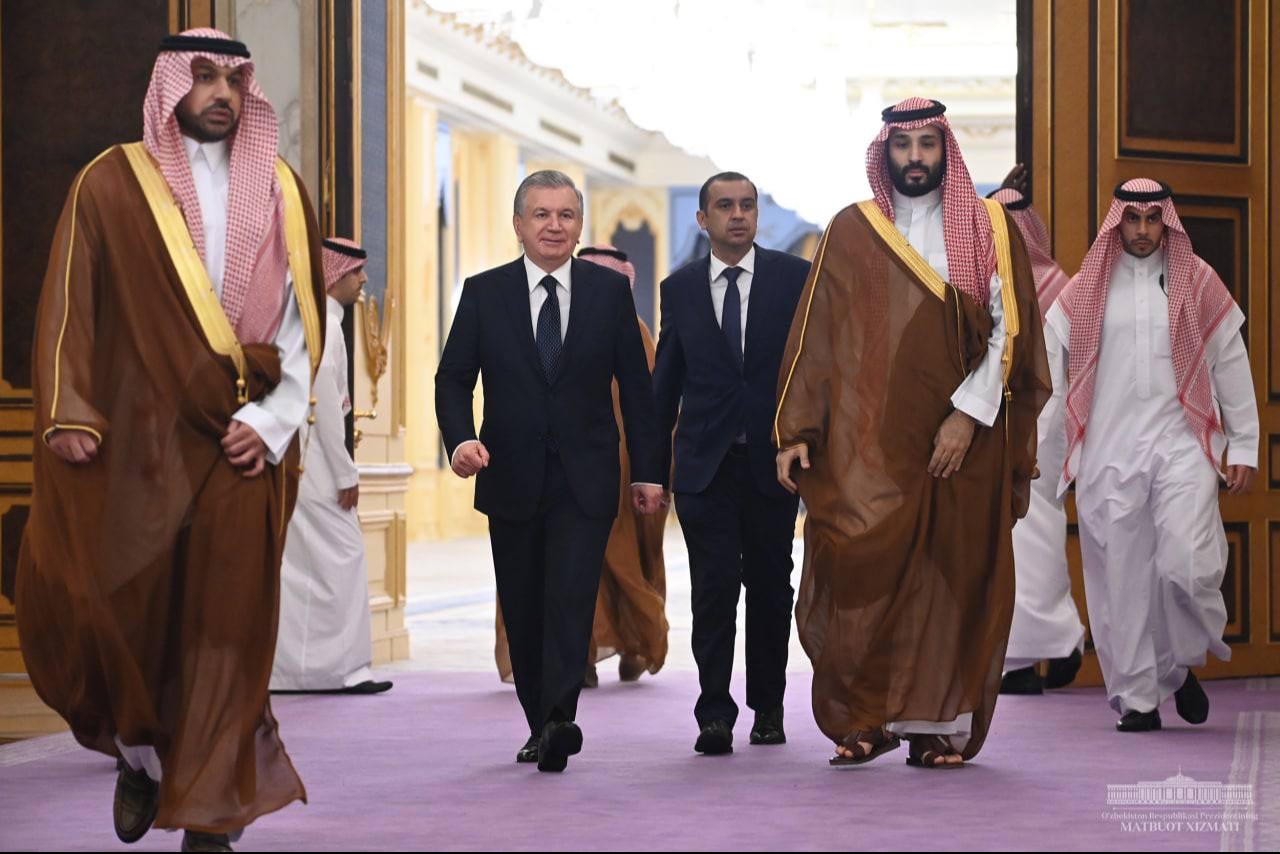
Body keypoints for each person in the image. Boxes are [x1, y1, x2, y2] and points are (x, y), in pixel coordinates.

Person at [16, 29, 324, 851]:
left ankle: (213, 813)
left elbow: (300, 324)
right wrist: (68, 409)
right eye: (204, 76)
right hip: (136, 444)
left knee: (229, 624)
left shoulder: (282, 188)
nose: (222, 93)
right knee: (125, 616)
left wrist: (271, 422)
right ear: (169, 87)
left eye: (235, 80)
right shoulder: (111, 182)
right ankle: (140, 756)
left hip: (241, 444)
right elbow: (70, 300)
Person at [774, 97, 1049, 769]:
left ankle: (934, 726)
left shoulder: (988, 225)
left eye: (928, 144)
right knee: (866, 569)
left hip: (967, 437)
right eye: (903, 145)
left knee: (952, 574)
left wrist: (967, 416)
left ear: (945, 148)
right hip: (873, 438)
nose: (915, 158)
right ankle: (868, 717)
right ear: (886, 152)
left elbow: (1009, 331)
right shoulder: (853, 229)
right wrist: (799, 428)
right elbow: (819, 334)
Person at [435, 170, 664, 772]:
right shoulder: (483, 293)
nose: (554, 226)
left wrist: (647, 471)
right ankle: (540, 721)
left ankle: (560, 718)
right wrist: (460, 440)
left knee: (569, 599)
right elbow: (453, 378)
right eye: (541, 214)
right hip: (509, 475)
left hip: (586, 479)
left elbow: (638, 391)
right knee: (524, 604)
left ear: (579, 225)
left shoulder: (608, 294)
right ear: (518, 225)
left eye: (565, 215)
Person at [1045, 178, 1257, 732]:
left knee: (1187, 563)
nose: (1142, 230)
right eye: (1132, 219)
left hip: (1182, 442)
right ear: (1117, 221)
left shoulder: (1197, 279)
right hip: (1108, 449)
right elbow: (1051, 378)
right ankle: (1139, 697)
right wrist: (1041, 452)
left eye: (1152, 219)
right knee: (1120, 582)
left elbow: (1231, 363)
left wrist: (1245, 444)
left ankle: (1177, 663)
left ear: (1167, 222)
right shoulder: (1087, 287)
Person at [652, 172, 810, 754]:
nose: (738, 215)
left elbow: (813, 369)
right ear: (703, 219)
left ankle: (768, 708)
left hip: (774, 465)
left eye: (747, 205)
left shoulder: (795, 279)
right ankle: (714, 714)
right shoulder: (680, 288)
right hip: (704, 468)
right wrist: (652, 471)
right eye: (724, 206)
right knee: (712, 590)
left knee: (770, 590)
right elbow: (665, 385)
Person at [494, 245, 670, 707]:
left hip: (618, 472)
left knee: (622, 564)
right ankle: (580, 658)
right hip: (550, 468)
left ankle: (635, 644)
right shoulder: (542, 320)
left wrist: (649, 472)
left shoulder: (635, 331)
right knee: (563, 570)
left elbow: (646, 408)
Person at [271, 237, 392, 696]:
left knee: (306, 563)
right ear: (334, 274)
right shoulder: (323, 322)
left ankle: (307, 670)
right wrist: (346, 474)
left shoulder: (320, 319)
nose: (363, 280)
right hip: (315, 463)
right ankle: (337, 669)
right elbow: (322, 406)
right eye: (355, 272)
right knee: (342, 555)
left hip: (304, 461)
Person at [987, 184, 1085, 695]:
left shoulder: (1058, 286)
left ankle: (1062, 637)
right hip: (992, 419)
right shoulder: (982, 280)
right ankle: (1019, 662)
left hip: (1043, 424)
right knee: (1002, 536)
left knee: (1033, 527)